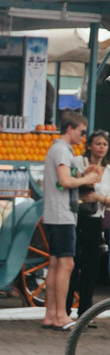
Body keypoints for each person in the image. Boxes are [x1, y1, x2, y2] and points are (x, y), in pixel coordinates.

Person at [42, 110, 98, 331]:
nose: (83, 137)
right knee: (66, 264)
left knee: (56, 264)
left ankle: (50, 314)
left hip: (56, 213)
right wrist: (88, 178)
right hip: (62, 214)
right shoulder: (62, 150)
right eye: (82, 132)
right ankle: (60, 315)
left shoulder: (58, 150)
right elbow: (65, 181)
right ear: (70, 129)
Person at [66, 129, 110, 319]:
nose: (101, 148)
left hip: (95, 219)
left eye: (105, 144)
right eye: (98, 143)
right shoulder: (77, 162)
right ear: (90, 145)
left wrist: (97, 197)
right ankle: (65, 309)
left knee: (91, 267)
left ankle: (85, 313)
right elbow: (67, 183)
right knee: (71, 264)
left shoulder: (108, 170)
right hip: (75, 218)